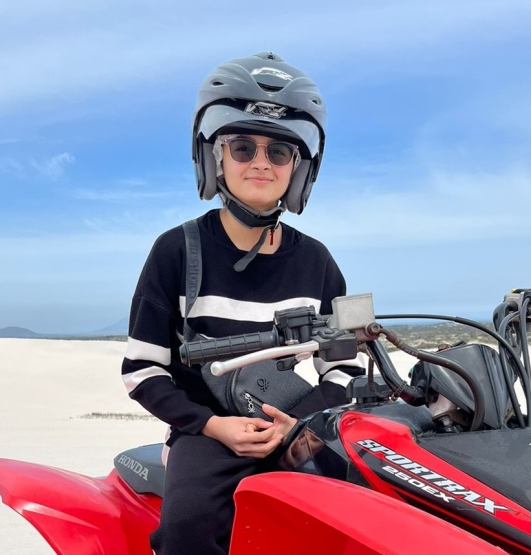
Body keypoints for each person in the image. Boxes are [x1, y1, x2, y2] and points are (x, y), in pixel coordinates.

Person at [121, 52, 364, 555]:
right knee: (187, 530)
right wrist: (212, 425)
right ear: (215, 157)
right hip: (208, 435)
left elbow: (344, 366)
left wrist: (303, 421)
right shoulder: (176, 251)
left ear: (298, 168)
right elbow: (142, 370)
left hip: (298, 428)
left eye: (279, 152)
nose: (260, 161)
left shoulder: (317, 260)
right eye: (242, 146)